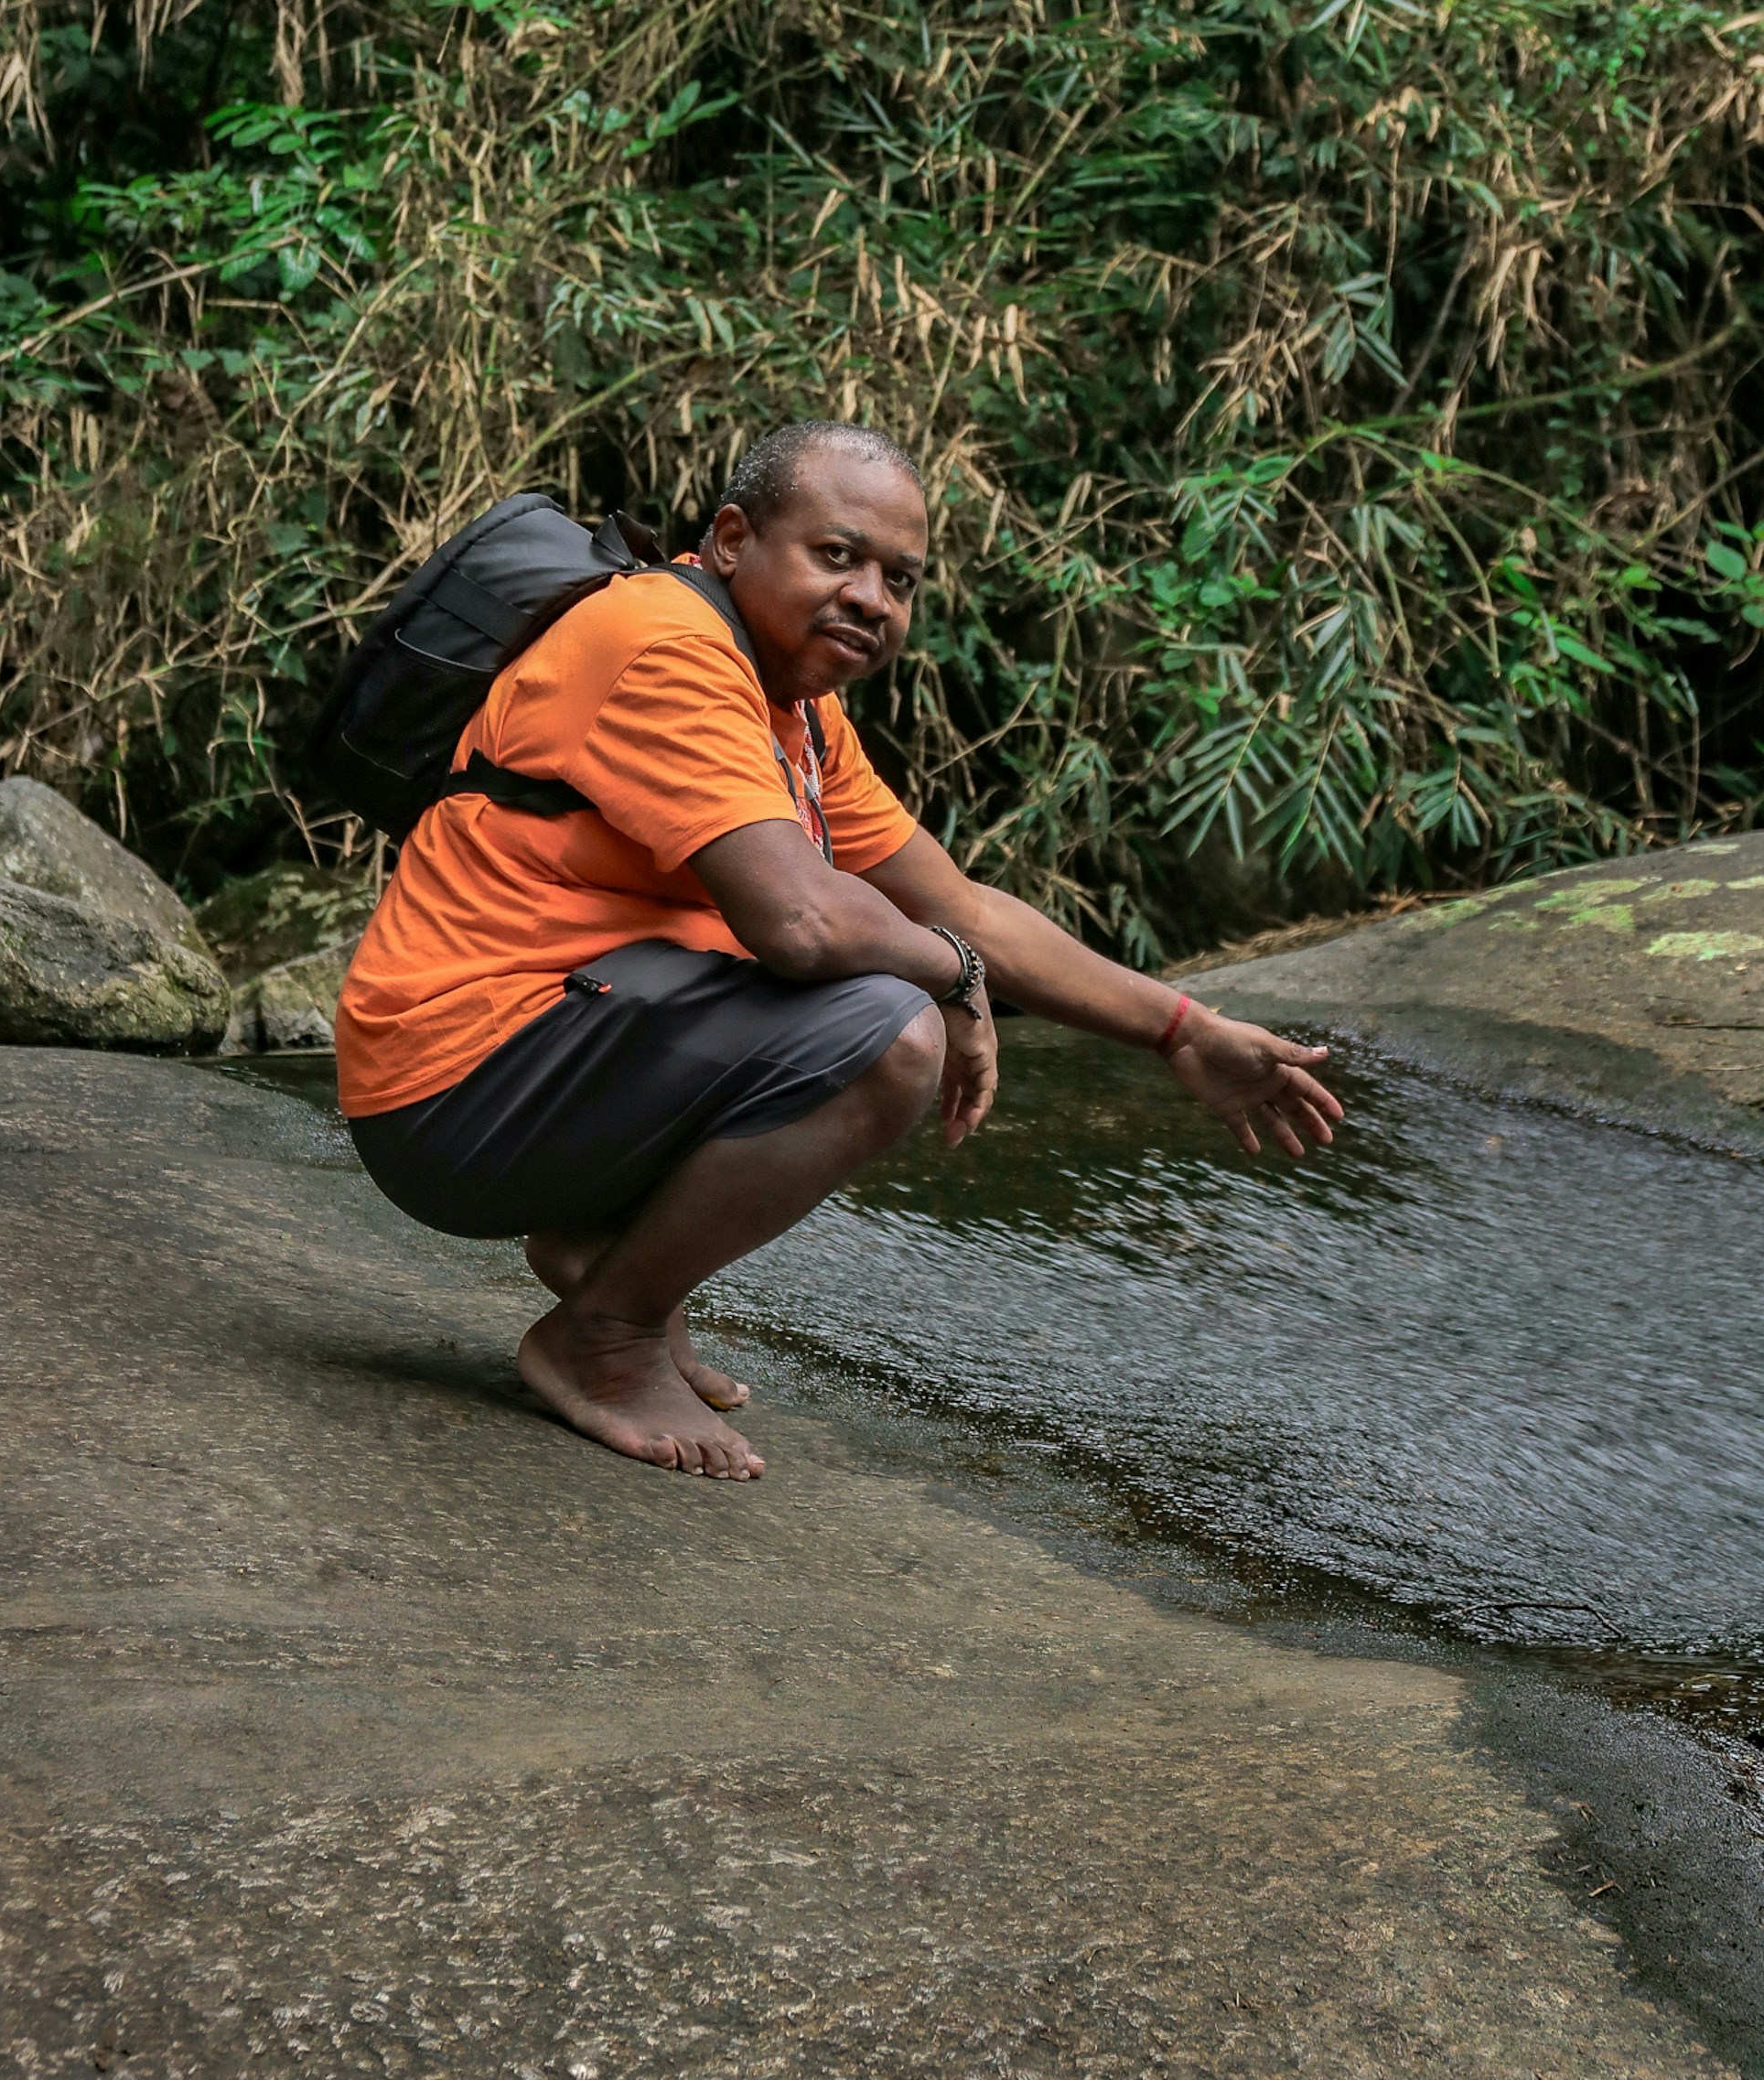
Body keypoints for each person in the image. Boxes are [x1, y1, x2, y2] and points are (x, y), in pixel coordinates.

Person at [336, 420, 1341, 1482]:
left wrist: (1180, 1031)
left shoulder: (795, 714)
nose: (871, 597)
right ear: (730, 539)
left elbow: (962, 905)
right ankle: (604, 1335)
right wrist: (947, 975)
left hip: (528, 1058)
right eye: (836, 555)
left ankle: (605, 1261)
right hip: (448, 1089)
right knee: (886, 1034)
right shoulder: (665, 646)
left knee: (869, 979)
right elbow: (803, 922)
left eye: (899, 579)